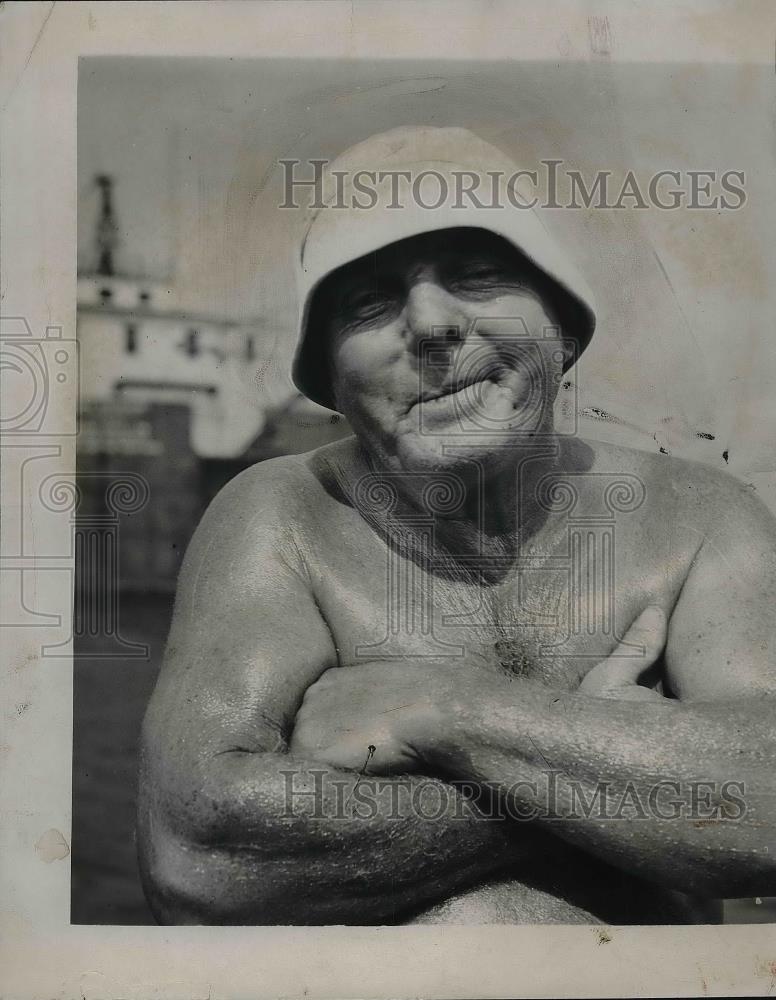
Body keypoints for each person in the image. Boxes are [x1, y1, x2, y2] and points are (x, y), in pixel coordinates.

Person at [137, 127, 776, 925]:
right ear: (330, 380)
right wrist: (616, 776)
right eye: (370, 301)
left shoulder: (699, 516)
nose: (433, 324)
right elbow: (201, 855)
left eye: (479, 275)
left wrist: (442, 710)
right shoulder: (283, 517)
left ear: (564, 331)